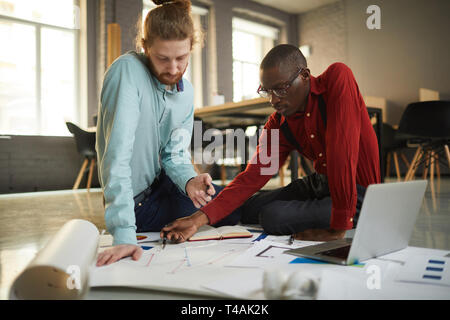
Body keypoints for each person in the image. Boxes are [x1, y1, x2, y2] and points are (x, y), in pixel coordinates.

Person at [162, 44, 380, 243]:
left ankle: (348, 215)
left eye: (281, 89)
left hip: (359, 193)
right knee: (249, 208)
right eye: (267, 91)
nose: (274, 100)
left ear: (304, 76)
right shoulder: (278, 124)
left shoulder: (337, 79)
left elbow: (342, 155)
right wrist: (196, 220)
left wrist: (338, 229)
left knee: (273, 217)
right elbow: (251, 177)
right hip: (320, 185)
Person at [95, 0, 241, 267]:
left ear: (191, 48)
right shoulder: (126, 71)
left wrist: (189, 181)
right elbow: (116, 157)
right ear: (145, 46)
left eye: (181, 58)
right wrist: (125, 234)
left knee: (232, 197)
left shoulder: (187, 93)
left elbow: (174, 153)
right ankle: (307, 201)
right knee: (235, 205)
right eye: (162, 58)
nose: (173, 69)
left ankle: (306, 196)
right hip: (139, 204)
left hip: (163, 184)